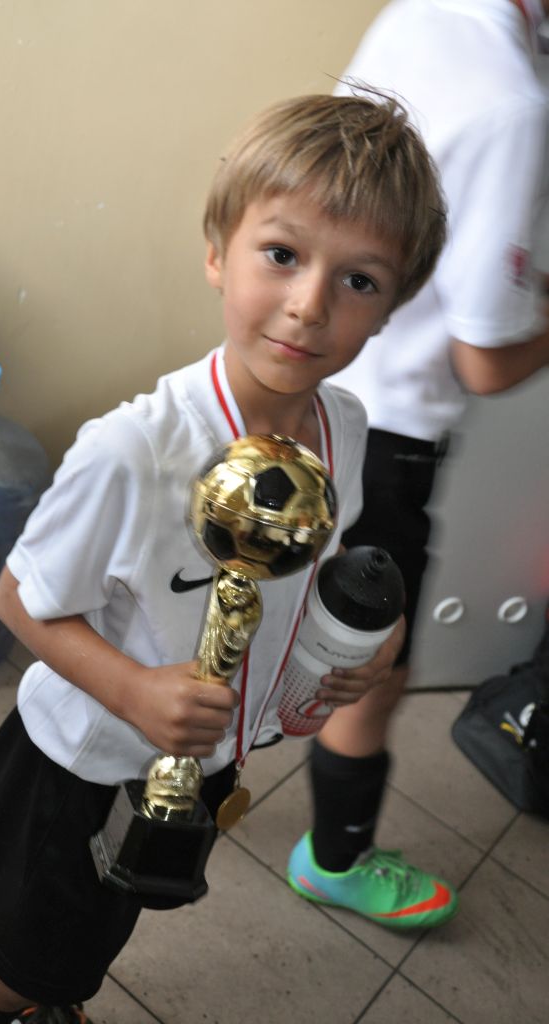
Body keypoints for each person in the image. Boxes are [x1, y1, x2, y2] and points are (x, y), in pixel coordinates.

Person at [0, 91, 447, 1024]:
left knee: (90, 940)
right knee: (23, 965)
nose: (309, 305)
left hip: (197, 766)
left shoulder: (345, 427)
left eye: (359, 280)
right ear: (218, 252)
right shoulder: (134, 451)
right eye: (282, 255)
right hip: (84, 769)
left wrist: (355, 649)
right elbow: (18, 598)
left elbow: (312, 572)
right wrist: (133, 690)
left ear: (391, 310)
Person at [287, 0, 549, 930]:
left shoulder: (421, 12)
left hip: (297, 375)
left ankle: (167, 790)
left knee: (251, 607)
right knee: (375, 664)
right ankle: (336, 861)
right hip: (386, 433)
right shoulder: (515, 100)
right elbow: (485, 362)